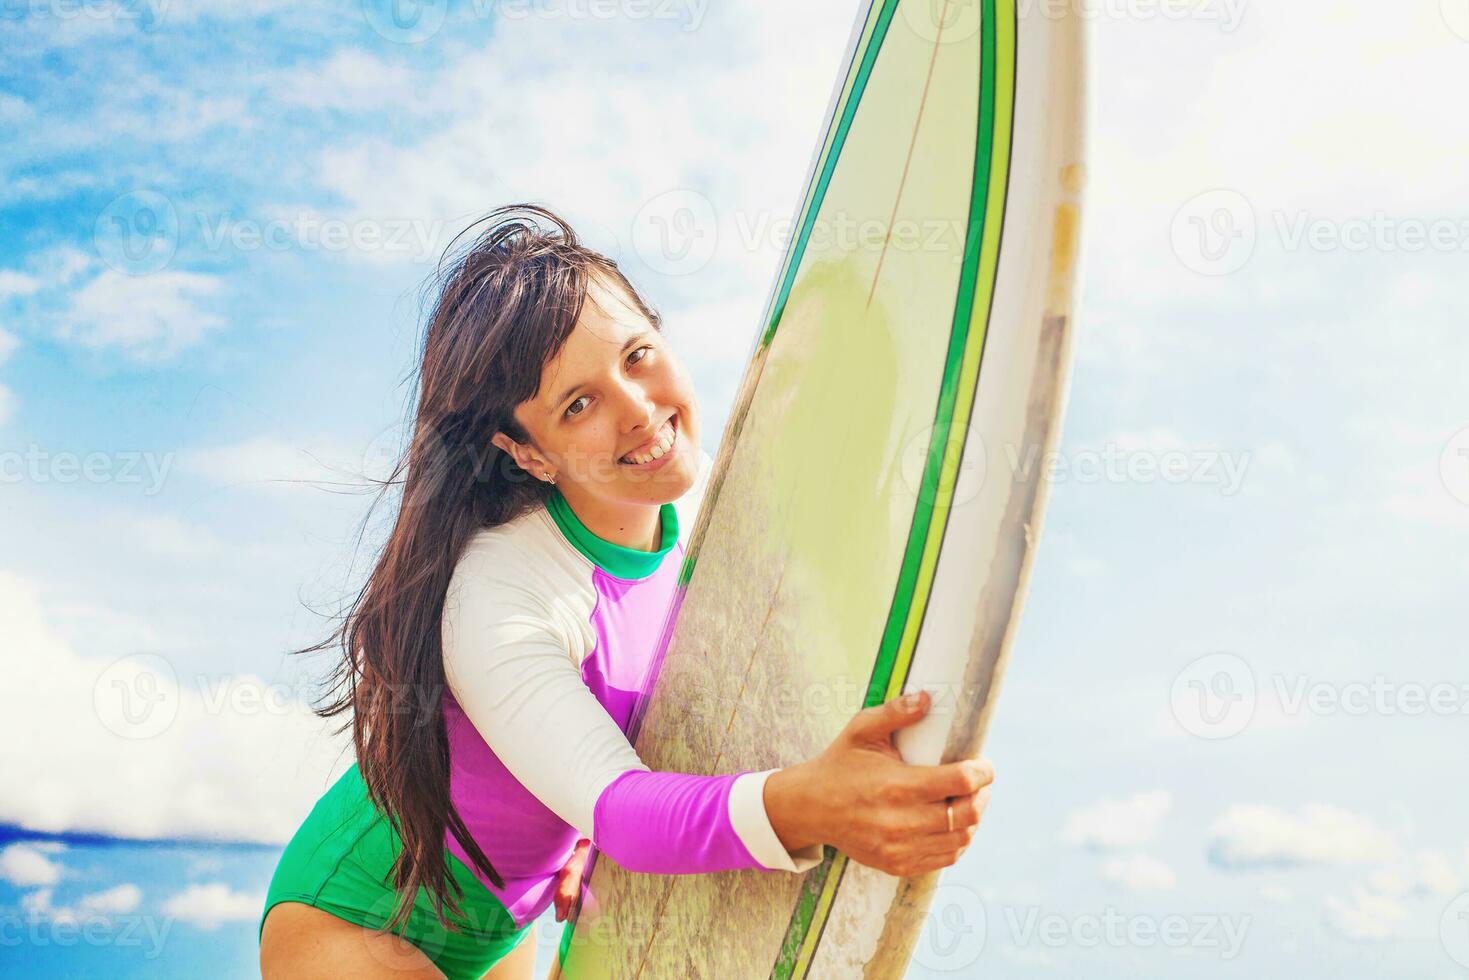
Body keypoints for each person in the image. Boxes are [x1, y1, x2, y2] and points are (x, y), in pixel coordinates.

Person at [257, 204, 996, 980]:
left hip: (506, 925)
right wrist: (810, 805)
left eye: (637, 356)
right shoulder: (502, 591)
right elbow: (621, 807)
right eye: (578, 405)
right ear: (527, 453)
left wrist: (578, 836)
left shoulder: (714, 509)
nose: (638, 412)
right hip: (361, 918)